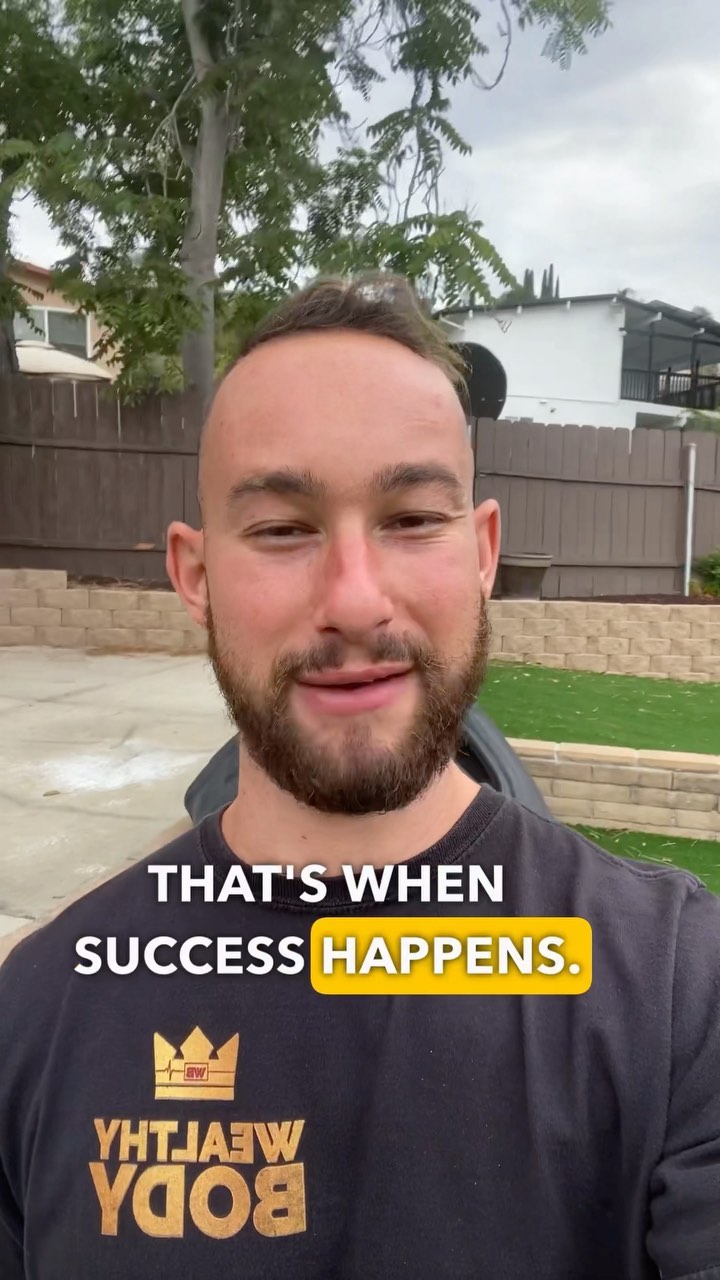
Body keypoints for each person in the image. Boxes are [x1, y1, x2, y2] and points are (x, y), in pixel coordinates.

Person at [1, 273, 719, 1280]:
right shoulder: (41, 1009)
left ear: (482, 554)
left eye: (412, 517)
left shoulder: (682, 994)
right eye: (283, 529)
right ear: (196, 578)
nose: (354, 599)